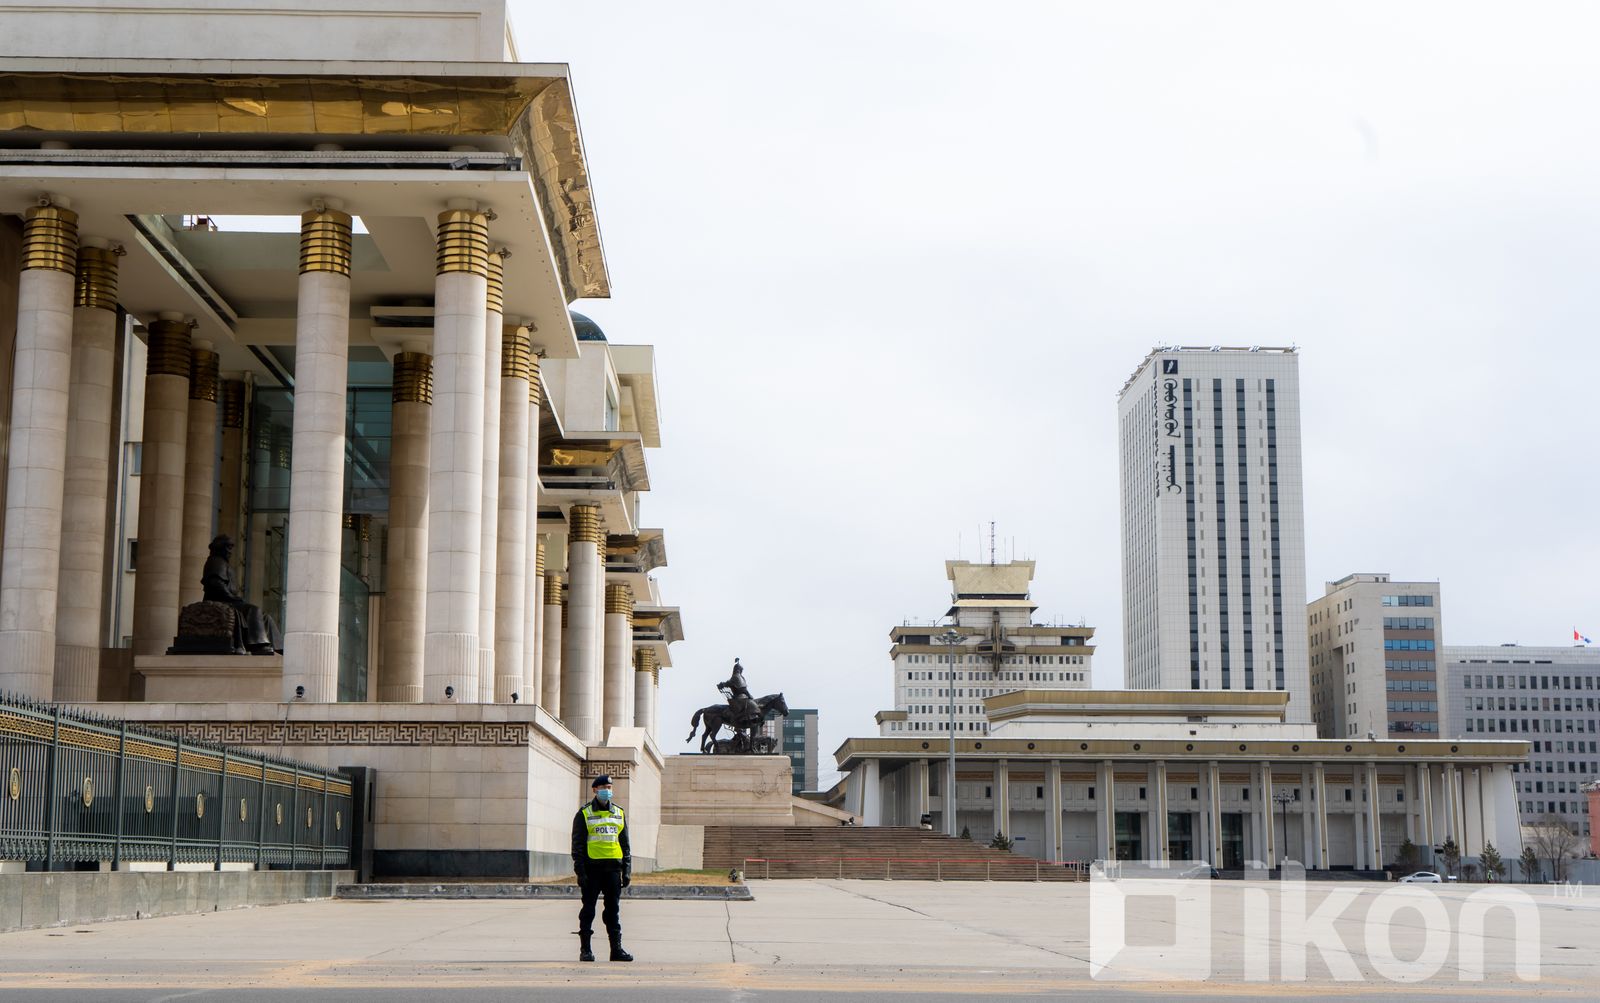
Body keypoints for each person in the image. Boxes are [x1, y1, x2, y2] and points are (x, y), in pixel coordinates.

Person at [571, 775, 632, 962]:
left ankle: (616, 950)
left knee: (613, 910)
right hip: (592, 870)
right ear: (595, 790)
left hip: (613, 869)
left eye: (610, 786)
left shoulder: (619, 813)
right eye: (604, 786)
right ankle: (586, 950)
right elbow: (578, 845)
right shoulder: (584, 813)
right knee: (588, 909)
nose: (608, 790)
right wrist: (580, 872)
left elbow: (625, 844)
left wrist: (627, 869)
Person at [201, 535, 281, 654]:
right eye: (228, 548)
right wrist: (232, 597)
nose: (230, 552)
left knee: (265, 617)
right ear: (220, 548)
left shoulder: (222, 563)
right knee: (253, 610)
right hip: (221, 601)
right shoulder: (216, 562)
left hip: (229, 600)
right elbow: (216, 584)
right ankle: (258, 645)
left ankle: (277, 647)